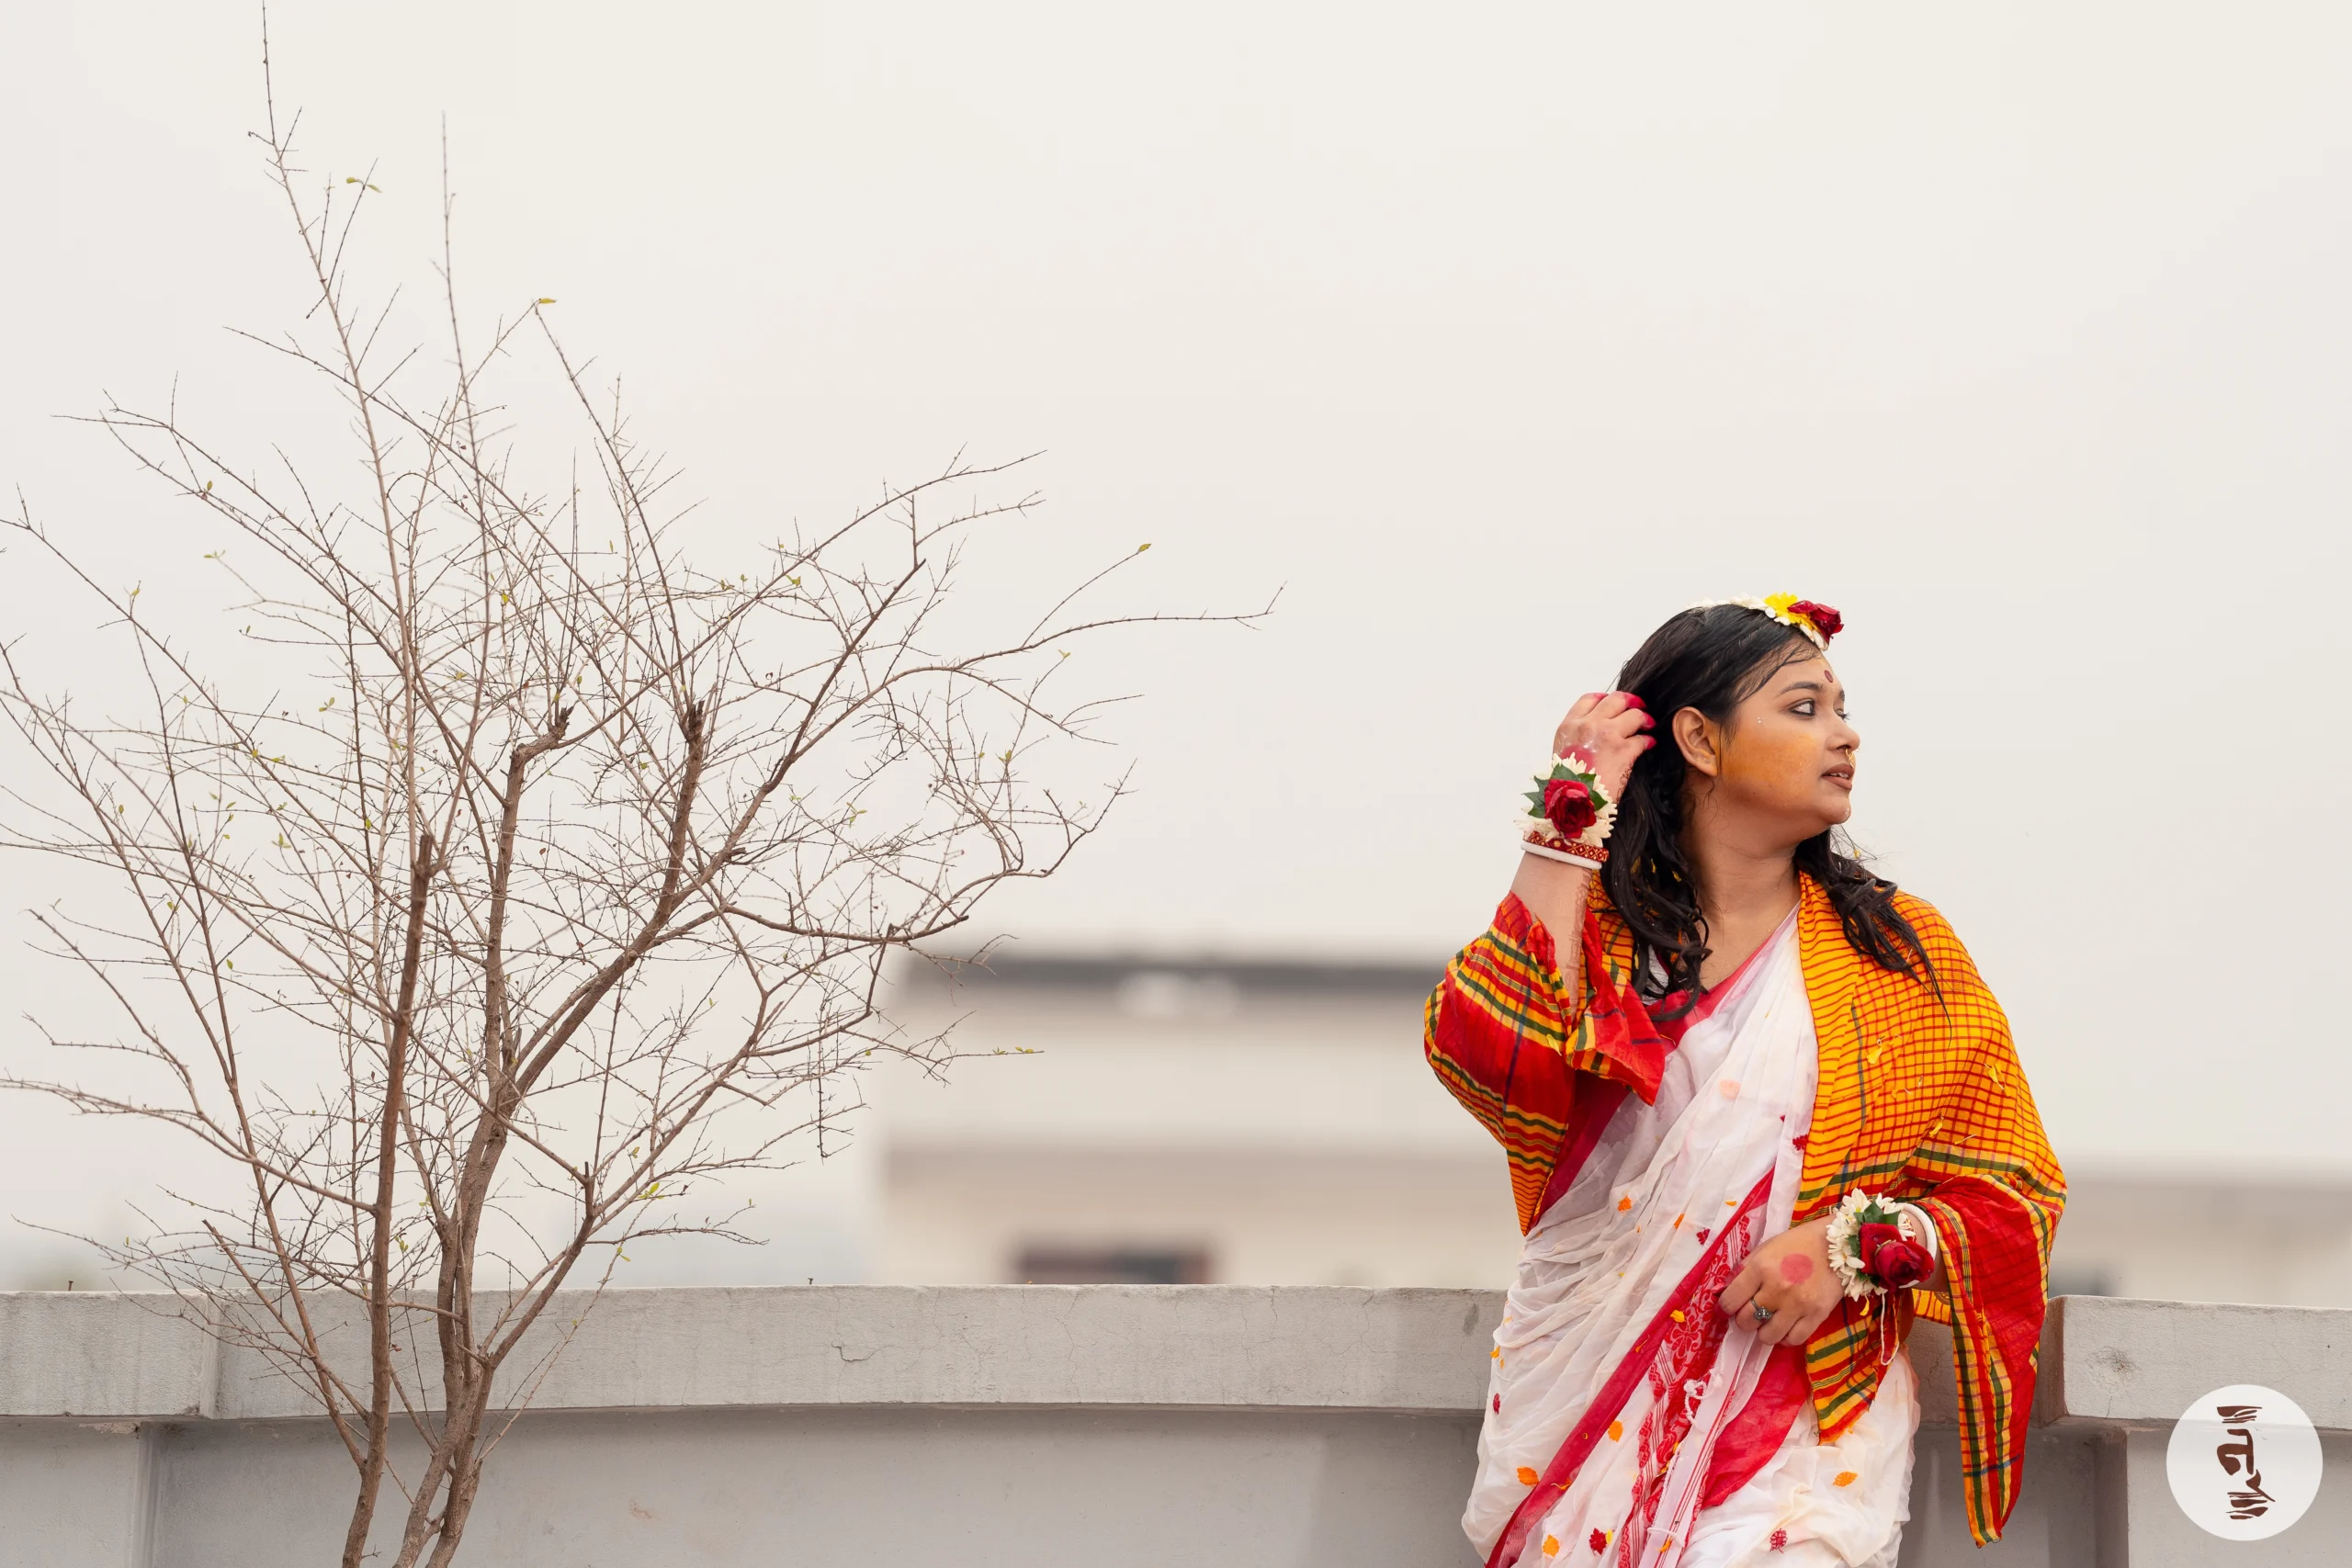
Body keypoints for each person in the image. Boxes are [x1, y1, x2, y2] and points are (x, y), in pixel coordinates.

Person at [1424, 597, 2064, 1568]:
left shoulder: (1896, 956)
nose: (1845, 735)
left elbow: (2012, 1196)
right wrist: (1565, 820)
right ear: (1699, 739)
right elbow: (1487, 1055)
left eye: (1841, 709)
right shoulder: (1604, 936)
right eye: (1804, 708)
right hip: (1579, 1407)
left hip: (1801, 1434)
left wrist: (1851, 1246)